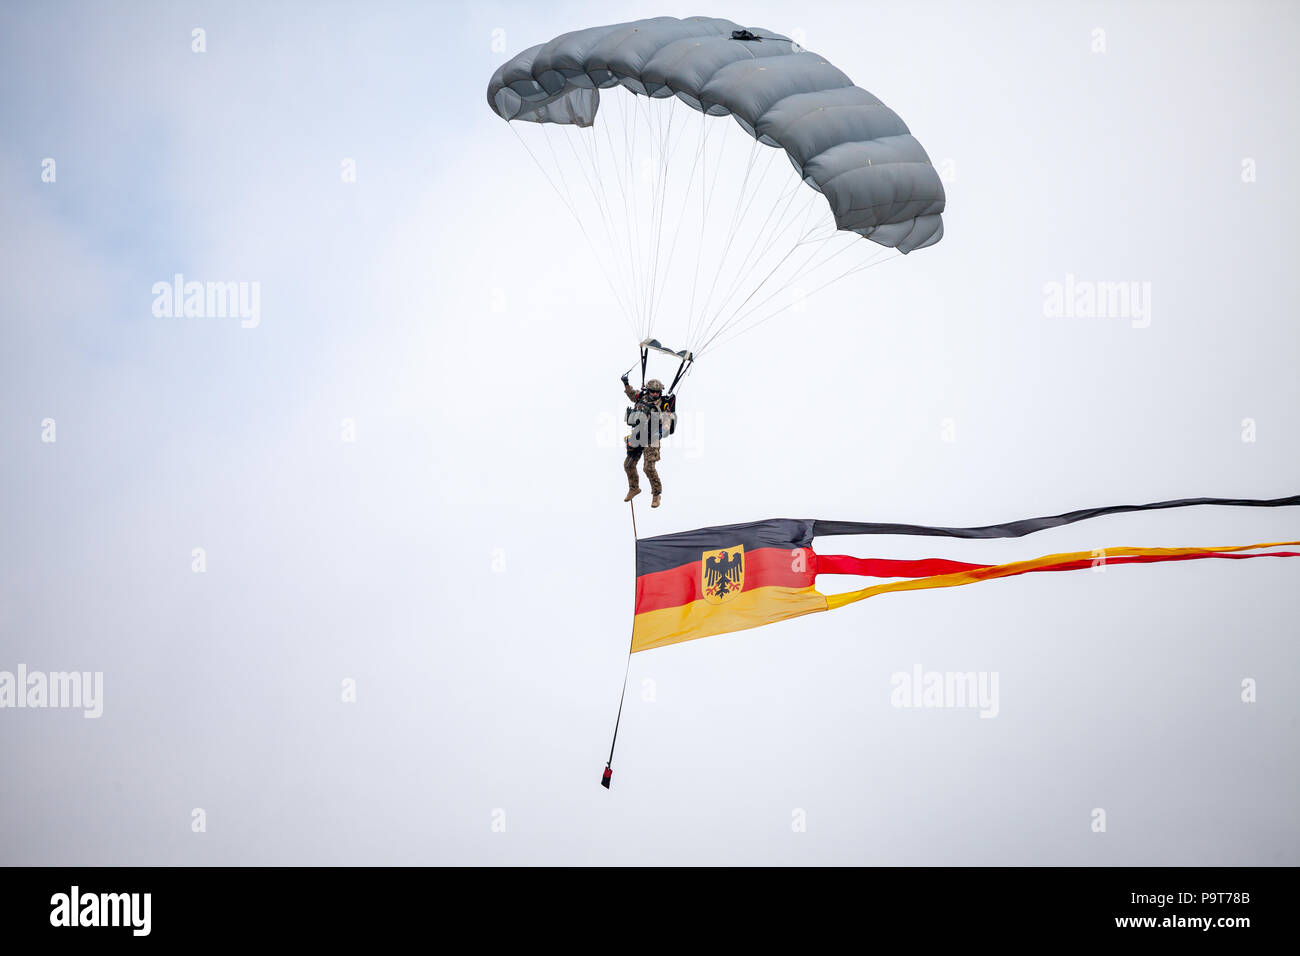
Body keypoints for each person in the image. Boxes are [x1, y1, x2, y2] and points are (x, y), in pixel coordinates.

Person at [621, 373, 673, 507]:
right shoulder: (641, 397)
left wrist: (662, 432)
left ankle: (656, 494)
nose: (655, 394)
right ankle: (634, 488)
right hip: (638, 434)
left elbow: (667, 421)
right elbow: (631, 394)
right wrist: (626, 383)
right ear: (648, 390)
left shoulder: (663, 404)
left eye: (657, 392)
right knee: (628, 465)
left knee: (648, 468)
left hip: (652, 437)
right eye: (652, 391)